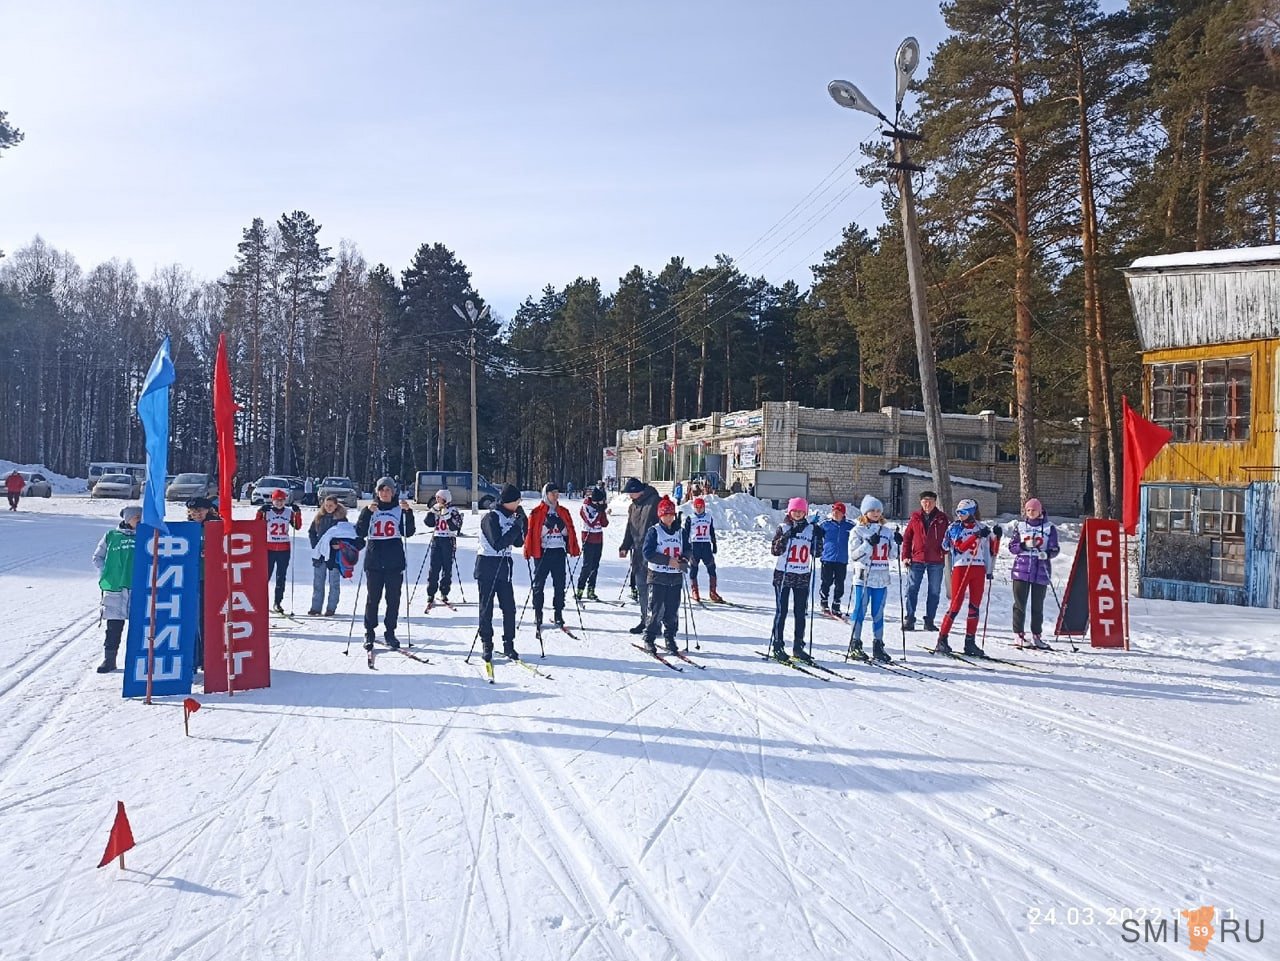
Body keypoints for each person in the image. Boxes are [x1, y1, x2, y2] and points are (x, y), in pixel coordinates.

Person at [354, 477, 416, 651]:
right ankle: (370, 631)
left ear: (393, 492)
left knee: (393, 599)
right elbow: (359, 531)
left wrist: (408, 513)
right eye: (381, 490)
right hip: (374, 561)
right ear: (377, 492)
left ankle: (390, 632)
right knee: (373, 598)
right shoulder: (371, 509)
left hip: (394, 561)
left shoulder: (399, 509)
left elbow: (408, 532)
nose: (385, 493)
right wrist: (366, 513)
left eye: (388, 490)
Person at [934, 499, 1001, 657]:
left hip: (978, 568)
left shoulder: (982, 527)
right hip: (961, 567)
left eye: (963, 513)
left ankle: (969, 642)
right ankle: (942, 639)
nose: (960, 516)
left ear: (971, 512)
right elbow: (958, 547)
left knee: (975, 606)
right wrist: (975, 537)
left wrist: (997, 536)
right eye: (958, 513)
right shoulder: (955, 527)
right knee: (956, 604)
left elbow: (993, 550)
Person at [475, 484, 528, 662]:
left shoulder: (511, 516)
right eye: (517, 501)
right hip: (487, 565)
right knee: (486, 607)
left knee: (509, 608)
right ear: (509, 501)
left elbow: (519, 543)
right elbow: (497, 543)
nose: (519, 503)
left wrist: (523, 525)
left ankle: (508, 643)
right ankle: (487, 643)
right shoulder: (491, 517)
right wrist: (515, 527)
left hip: (504, 566)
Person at [769, 497, 824, 662]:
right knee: (782, 611)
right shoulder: (783, 527)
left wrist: (819, 538)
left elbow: (817, 553)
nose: (798, 514)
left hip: (802, 575)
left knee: (801, 612)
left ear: (805, 512)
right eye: (795, 511)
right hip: (783, 575)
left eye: (801, 511)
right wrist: (786, 536)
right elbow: (775, 550)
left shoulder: (810, 529)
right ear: (790, 511)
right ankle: (778, 645)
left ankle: (798, 646)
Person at [847, 496, 901, 663]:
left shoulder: (887, 531)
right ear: (865, 512)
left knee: (878, 612)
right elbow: (854, 556)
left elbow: (892, 555)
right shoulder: (858, 530)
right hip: (863, 577)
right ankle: (855, 643)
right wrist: (868, 544)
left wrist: (899, 543)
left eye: (878, 510)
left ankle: (878, 644)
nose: (876, 513)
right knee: (860, 610)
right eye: (872, 510)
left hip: (881, 577)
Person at [524, 483, 580, 633]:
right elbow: (533, 534)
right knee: (539, 585)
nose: (556, 496)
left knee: (560, 584)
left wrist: (562, 528)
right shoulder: (537, 512)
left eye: (557, 493)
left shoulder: (563, 512)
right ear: (546, 494)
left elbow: (570, 532)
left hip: (558, 552)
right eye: (552, 493)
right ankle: (538, 613)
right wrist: (546, 527)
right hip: (542, 552)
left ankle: (558, 613)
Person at [91, 505, 141, 673]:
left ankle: (136, 660)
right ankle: (109, 659)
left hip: (139, 588)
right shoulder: (111, 536)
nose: (140, 520)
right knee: (113, 627)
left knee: (139, 628)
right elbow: (97, 557)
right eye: (137, 518)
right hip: (116, 589)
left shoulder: (147, 535)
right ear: (128, 519)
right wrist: (108, 572)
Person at [1007, 497, 1060, 649]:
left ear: (1040, 511)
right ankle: (1018, 634)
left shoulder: (1049, 528)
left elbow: (1054, 547)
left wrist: (1048, 554)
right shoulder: (1021, 526)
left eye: (1034, 510)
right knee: (1019, 604)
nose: (1031, 513)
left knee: (1038, 605)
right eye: (1028, 510)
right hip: (1021, 570)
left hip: (1040, 569)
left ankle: (1037, 635)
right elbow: (1012, 547)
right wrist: (1023, 546)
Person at [641, 496, 688, 654]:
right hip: (657, 576)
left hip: (675, 577)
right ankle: (649, 637)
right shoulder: (654, 531)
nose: (668, 518)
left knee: (672, 610)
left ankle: (670, 637)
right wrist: (668, 561)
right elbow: (648, 553)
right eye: (665, 514)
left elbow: (688, 548)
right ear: (660, 516)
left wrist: (685, 558)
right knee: (656, 609)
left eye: (671, 514)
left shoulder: (681, 532)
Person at [901, 490, 949, 632]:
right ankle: (909, 618)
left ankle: (930, 620)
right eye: (924, 501)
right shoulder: (915, 517)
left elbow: (949, 538)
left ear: (935, 502)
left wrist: (944, 551)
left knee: (934, 591)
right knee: (911, 588)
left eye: (930, 501)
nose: (927, 504)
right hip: (917, 559)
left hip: (936, 560)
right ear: (920, 502)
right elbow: (907, 538)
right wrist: (905, 556)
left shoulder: (942, 518)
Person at [619, 476, 661, 634]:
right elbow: (630, 528)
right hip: (637, 553)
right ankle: (645, 620)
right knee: (642, 588)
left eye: (631, 493)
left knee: (655, 591)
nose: (629, 496)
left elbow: (663, 525)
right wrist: (624, 545)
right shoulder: (633, 506)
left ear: (638, 491)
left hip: (653, 553)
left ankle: (656, 624)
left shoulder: (654, 501)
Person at [185, 496, 222, 672]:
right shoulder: (187, 528)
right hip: (192, 578)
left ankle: (209, 657)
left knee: (208, 620)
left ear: (208, 510)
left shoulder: (216, 526)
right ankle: (194, 658)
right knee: (191, 618)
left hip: (212, 578)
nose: (196, 514)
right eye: (193, 512)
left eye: (200, 511)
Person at [307, 495, 355, 615]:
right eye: (326, 505)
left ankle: (331, 608)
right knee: (318, 582)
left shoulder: (342, 520)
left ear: (336, 506)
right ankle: (316, 607)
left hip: (335, 555)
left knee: (334, 583)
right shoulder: (319, 517)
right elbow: (312, 532)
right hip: (320, 554)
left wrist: (340, 545)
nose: (328, 508)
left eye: (331, 505)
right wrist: (316, 545)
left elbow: (348, 536)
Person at [257, 489, 302, 615]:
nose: (279, 503)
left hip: (284, 549)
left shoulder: (288, 512)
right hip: (269, 548)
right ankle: (260, 602)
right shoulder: (268, 512)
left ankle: (278, 602)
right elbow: (257, 525)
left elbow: (297, 526)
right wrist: (260, 512)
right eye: (277, 500)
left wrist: (297, 513)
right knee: (265, 577)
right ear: (273, 500)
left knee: (281, 577)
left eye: (281, 500)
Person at [423, 488, 464, 610]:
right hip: (437, 539)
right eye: (436, 497)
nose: (437, 500)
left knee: (447, 567)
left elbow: (455, 526)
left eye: (439, 498)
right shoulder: (436, 508)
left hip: (448, 540)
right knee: (434, 567)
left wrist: (447, 516)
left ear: (446, 498)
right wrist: (432, 512)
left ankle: (444, 591)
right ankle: (431, 593)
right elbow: (428, 522)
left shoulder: (453, 510)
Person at [818, 502, 855, 617]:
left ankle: (836, 604)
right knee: (826, 581)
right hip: (827, 558)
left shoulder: (850, 526)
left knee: (840, 583)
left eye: (838, 512)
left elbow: (859, 534)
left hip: (841, 559)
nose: (835, 514)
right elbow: (816, 535)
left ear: (843, 513)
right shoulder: (825, 524)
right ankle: (824, 602)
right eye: (833, 512)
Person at [683, 496, 723, 602]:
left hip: (705, 545)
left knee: (711, 568)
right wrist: (685, 547)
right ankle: (695, 591)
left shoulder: (708, 517)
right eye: (697, 507)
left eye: (701, 507)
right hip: (694, 546)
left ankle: (713, 592)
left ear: (704, 507)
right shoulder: (690, 518)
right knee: (694, 568)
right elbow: (686, 534)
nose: (699, 509)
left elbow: (711, 531)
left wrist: (714, 543)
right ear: (694, 507)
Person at [575, 485, 609, 601]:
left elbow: (604, 524)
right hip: (588, 537)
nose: (601, 503)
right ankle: (580, 589)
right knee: (587, 565)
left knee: (595, 565)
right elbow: (591, 522)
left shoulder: (599, 507)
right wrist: (599, 512)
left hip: (598, 538)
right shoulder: (585, 507)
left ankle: (591, 589)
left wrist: (603, 511)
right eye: (600, 501)